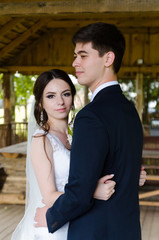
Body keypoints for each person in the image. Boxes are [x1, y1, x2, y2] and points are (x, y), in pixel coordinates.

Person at [36, 23, 145, 240]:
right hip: (127, 230)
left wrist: (50, 216)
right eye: (75, 55)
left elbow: (79, 192)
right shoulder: (130, 111)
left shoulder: (90, 116)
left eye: (83, 55)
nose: (75, 62)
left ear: (108, 59)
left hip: (95, 232)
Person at [11, 69, 116, 240]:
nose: (60, 101)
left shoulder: (74, 139)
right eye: (51, 96)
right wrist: (92, 192)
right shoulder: (42, 140)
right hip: (52, 225)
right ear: (40, 104)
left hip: (75, 218)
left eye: (65, 94)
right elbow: (50, 195)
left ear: (72, 98)